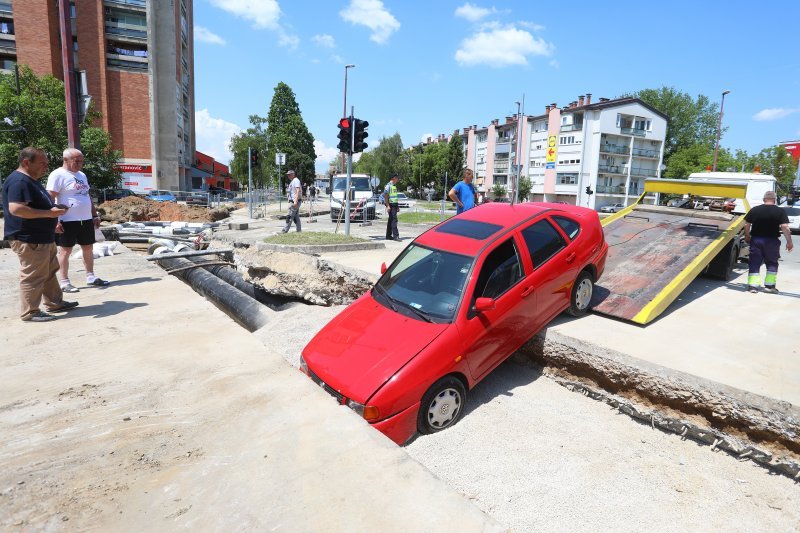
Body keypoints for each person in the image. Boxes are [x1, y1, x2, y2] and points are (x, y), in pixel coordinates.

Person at [2, 147, 79, 322]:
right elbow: (16, 208)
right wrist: (49, 214)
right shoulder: (19, 181)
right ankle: (30, 312)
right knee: (34, 275)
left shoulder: (32, 180)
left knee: (50, 271)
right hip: (29, 238)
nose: (46, 166)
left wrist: (53, 213)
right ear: (26, 162)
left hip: (42, 237)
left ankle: (55, 302)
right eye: (42, 163)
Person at [46, 148, 109, 292]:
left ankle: (90, 277)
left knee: (88, 248)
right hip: (67, 220)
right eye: (77, 161)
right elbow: (50, 198)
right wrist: (54, 220)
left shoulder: (82, 175)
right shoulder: (57, 175)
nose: (80, 164)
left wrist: (94, 215)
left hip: (85, 219)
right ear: (66, 160)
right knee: (65, 250)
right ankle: (64, 281)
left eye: (81, 161)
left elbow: (86, 196)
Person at [744, 190, 793, 293]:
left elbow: (747, 224)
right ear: (774, 200)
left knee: (754, 262)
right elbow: (784, 227)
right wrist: (789, 241)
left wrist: (747, 235)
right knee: (772, 262)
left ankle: (753, 287)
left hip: (756, 240)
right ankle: (769, 287)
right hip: (771, 241)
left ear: (764, 199)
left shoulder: (755, 210)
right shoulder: (780, 211)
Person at [384, 174, 400, 241]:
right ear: (394, 178)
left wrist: (397, 206)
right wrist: (387, 206)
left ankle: (388, 236)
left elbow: (395, 197)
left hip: (394, 205)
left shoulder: (394, 186)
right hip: (390, 205)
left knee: (391, 220)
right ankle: (396, 236)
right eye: (397, 178)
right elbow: (385, 196)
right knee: (394, 219)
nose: (398, 180)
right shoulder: (388, 186)